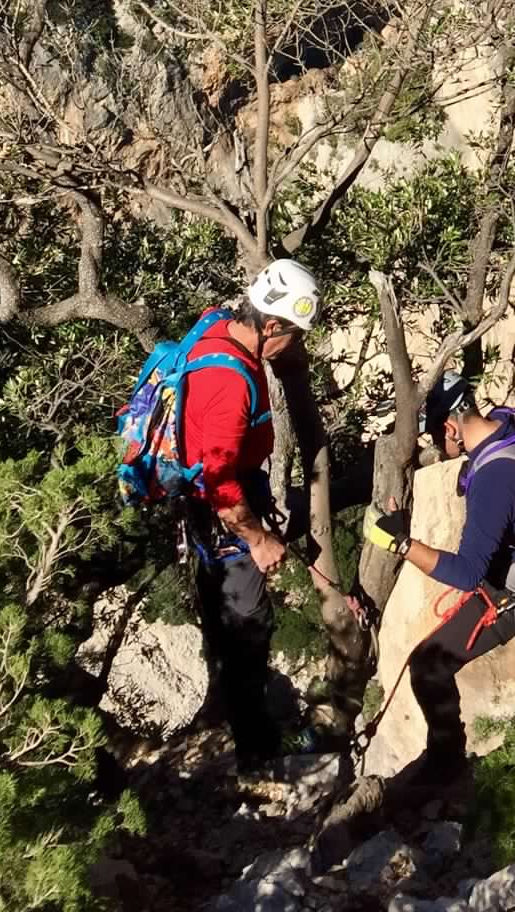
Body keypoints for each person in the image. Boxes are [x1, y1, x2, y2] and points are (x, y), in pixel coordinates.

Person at [361, 372, 515, 778]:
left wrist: (400, 544)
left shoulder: (494, 478)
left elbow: (467, 573)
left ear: (450, 426)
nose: (439, 449)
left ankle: (447, 770)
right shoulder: (508, 430)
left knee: (428, 666)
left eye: (437, 438)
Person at [180, 257, 322, 772]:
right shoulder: (231, 383)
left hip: (205, 506)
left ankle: (236, 722)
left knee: (225, 618)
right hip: (223, 512)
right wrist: (258, 538)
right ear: (274, 325)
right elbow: (219, 481)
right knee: (248, 623)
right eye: (295, 335)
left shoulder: (219, 327)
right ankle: (257, 751)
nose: (296, 348)